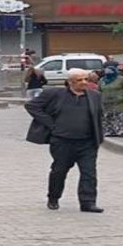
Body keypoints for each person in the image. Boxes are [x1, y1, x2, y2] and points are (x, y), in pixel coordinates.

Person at [25, 69, 105, 213]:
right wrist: (51, 124)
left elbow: (98, 116)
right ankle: (53, 197)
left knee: (89, 173)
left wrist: (99, 136)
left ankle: (88, 202)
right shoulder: (55, 94)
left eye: (86, 79)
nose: (84, 82)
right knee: (59, 171)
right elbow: (32, 106)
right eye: (79, 80)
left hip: (87, 142)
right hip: (62, 141)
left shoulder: (95, 96)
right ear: (70, 82)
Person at [99, 63, 123, 137]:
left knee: (120, 117)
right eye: (107, 71)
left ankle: (120, 131)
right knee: (107, 117)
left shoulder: (121, 79)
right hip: (106, 103)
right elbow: (99, 90)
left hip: (120, 102)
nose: (108, 73)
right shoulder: (102, 80)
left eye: (110, 71)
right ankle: (109, 131)